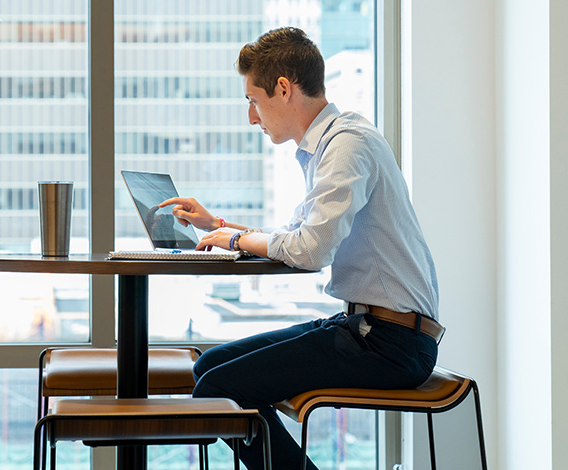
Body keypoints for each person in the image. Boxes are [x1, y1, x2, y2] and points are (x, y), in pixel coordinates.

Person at [158, 27, 442, 469]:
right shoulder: (330, 145)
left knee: (219, 390)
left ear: (284, 89)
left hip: (392, 342)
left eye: (253, 100)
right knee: (210, 368)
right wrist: (216, 225)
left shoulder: (347, 146)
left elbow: (310, 251)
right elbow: (294, 235)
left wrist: (232, 238)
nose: (252, 117)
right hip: (366, 327)